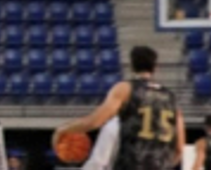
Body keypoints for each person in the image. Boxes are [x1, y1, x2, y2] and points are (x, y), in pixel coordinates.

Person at [52, 46, 183, 170]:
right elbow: (179, 150)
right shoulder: (171, 98)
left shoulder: (125, 89)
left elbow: (95, 121)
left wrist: (63, 129)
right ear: (155, 67)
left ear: (132, 66)